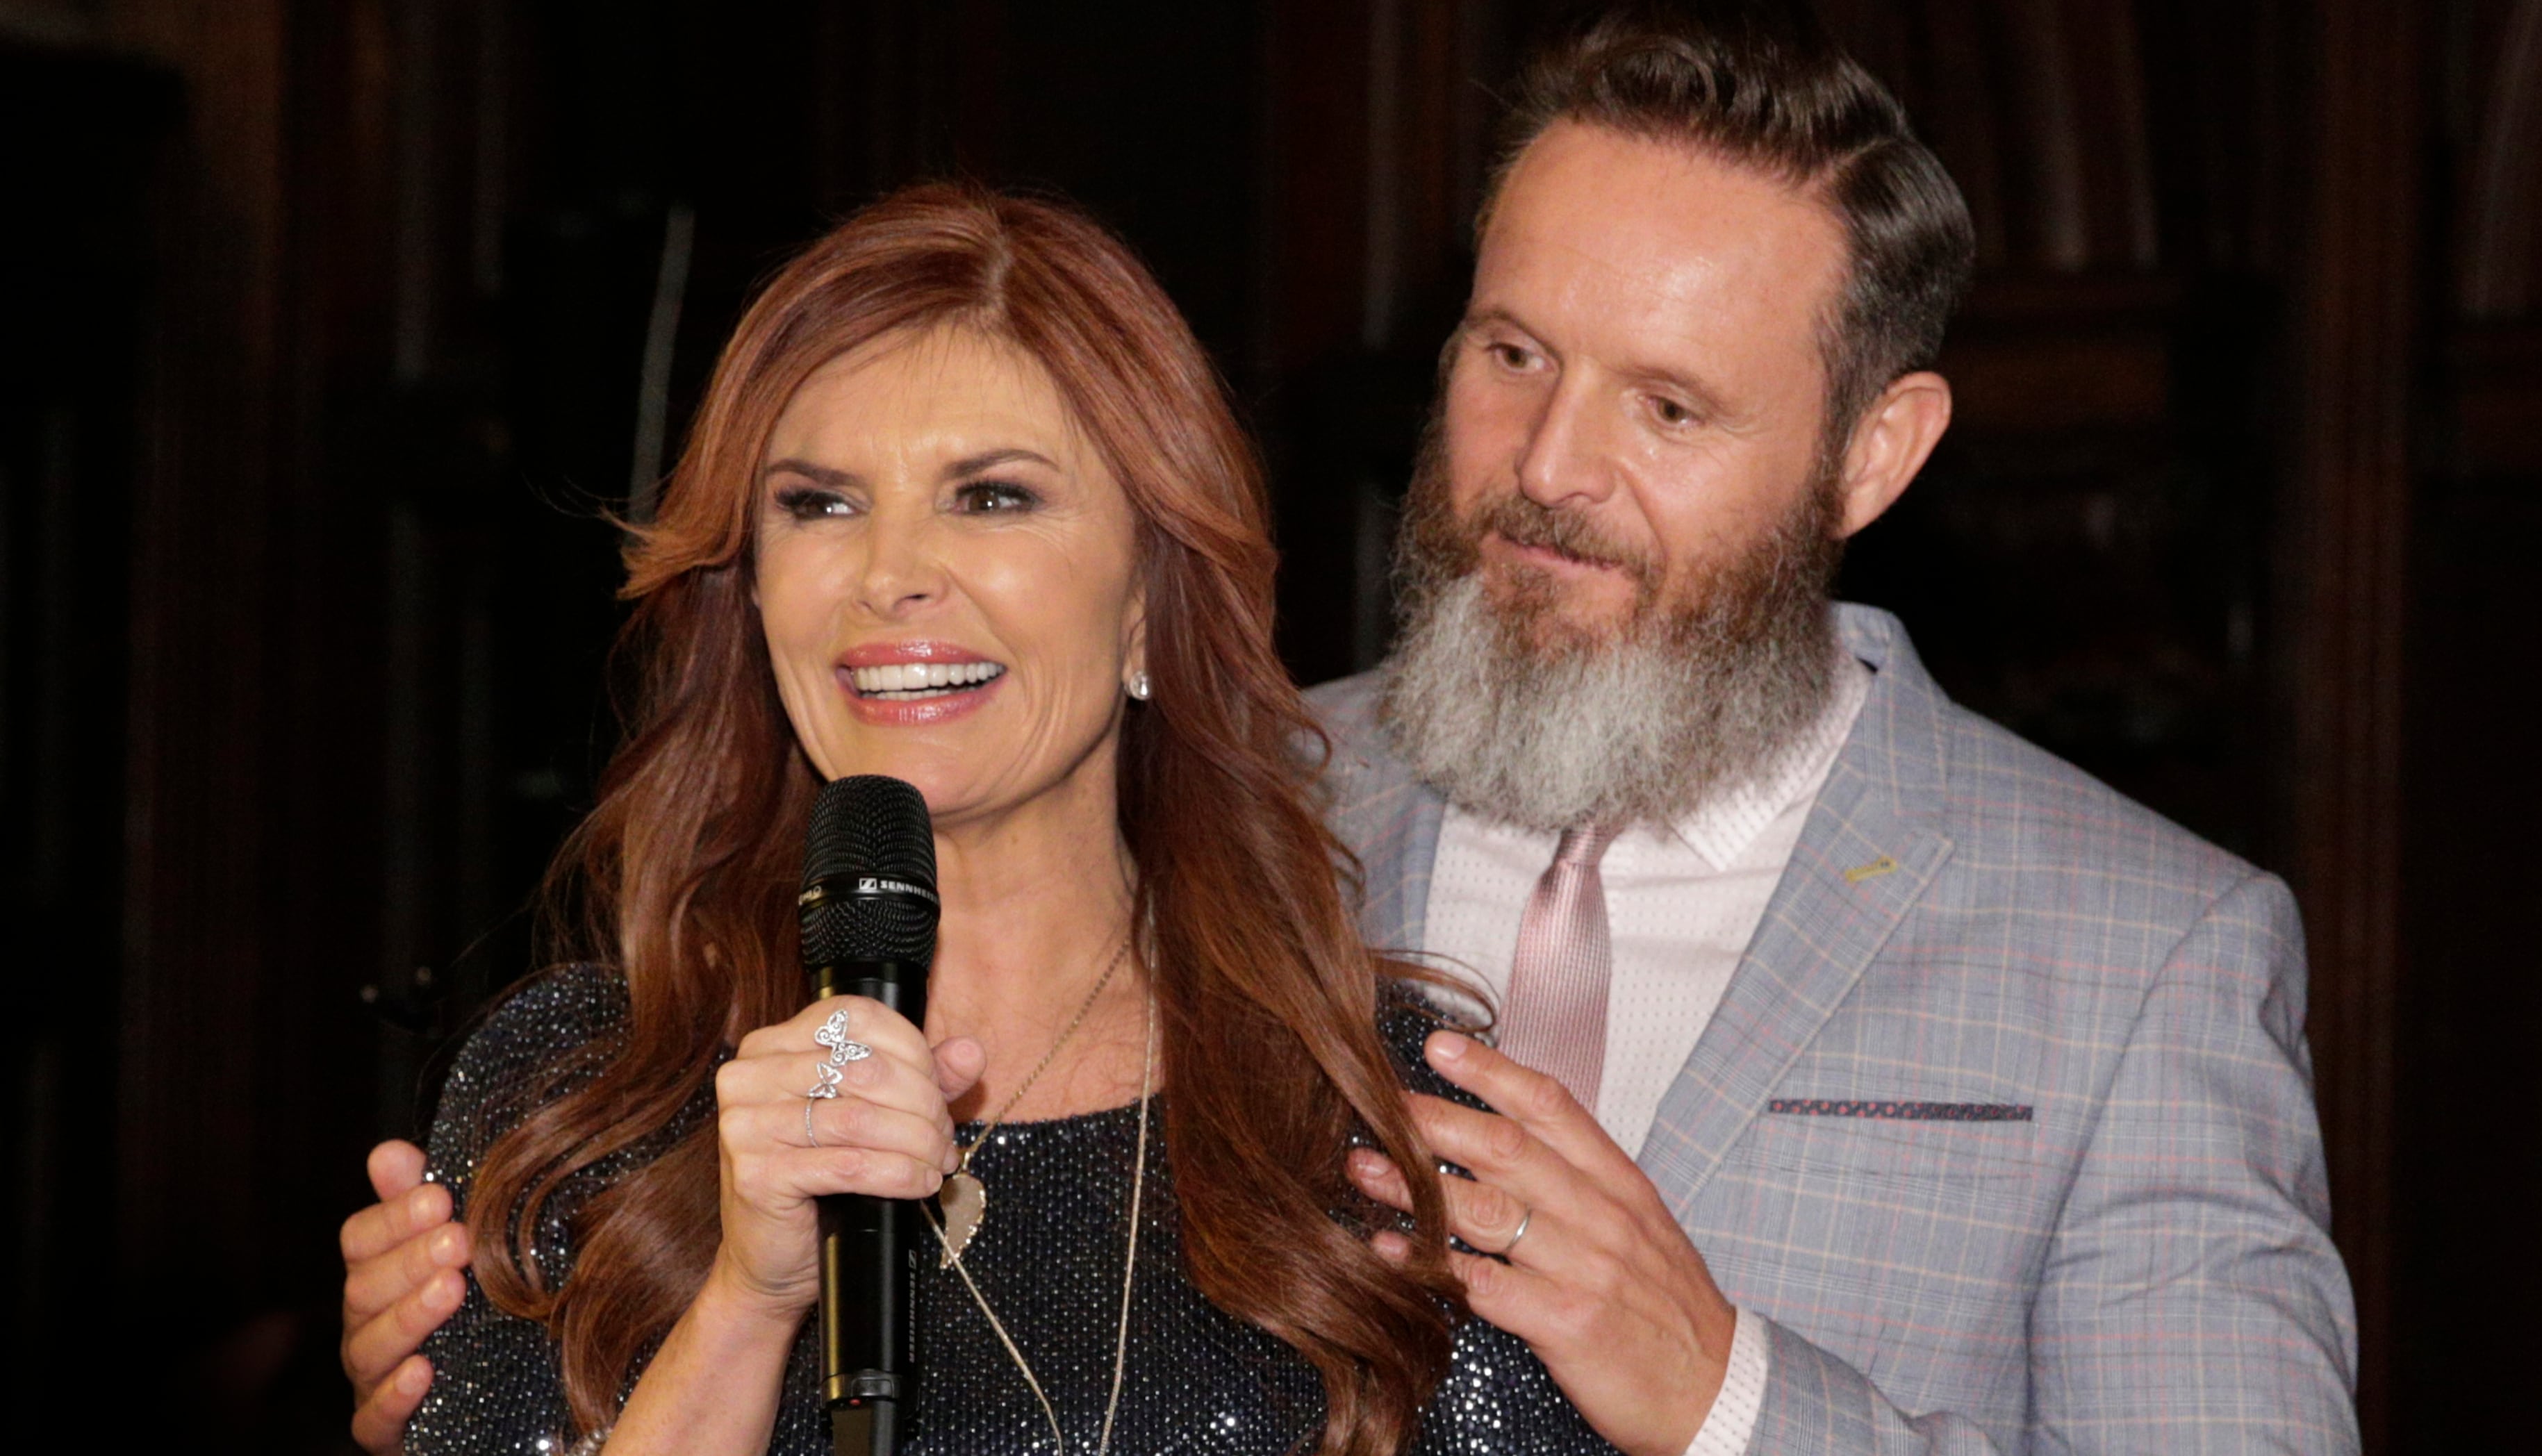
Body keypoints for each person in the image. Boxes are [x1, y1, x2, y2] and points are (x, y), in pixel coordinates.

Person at [336, 185, 1621, 1456]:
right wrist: (749, 1297)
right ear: (755, 593)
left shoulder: (1390, 1119)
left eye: (993, 496)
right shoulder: (571, 1096)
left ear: (1146, 602)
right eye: (820, 504)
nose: (891, 571)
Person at [1314, 0, 2361, 1455]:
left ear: (1874, 455)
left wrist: (1724, 1392)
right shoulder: (1237, 794)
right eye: (1512, 355)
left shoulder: (2146, 953)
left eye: (1669, 409)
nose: (1551, 465)